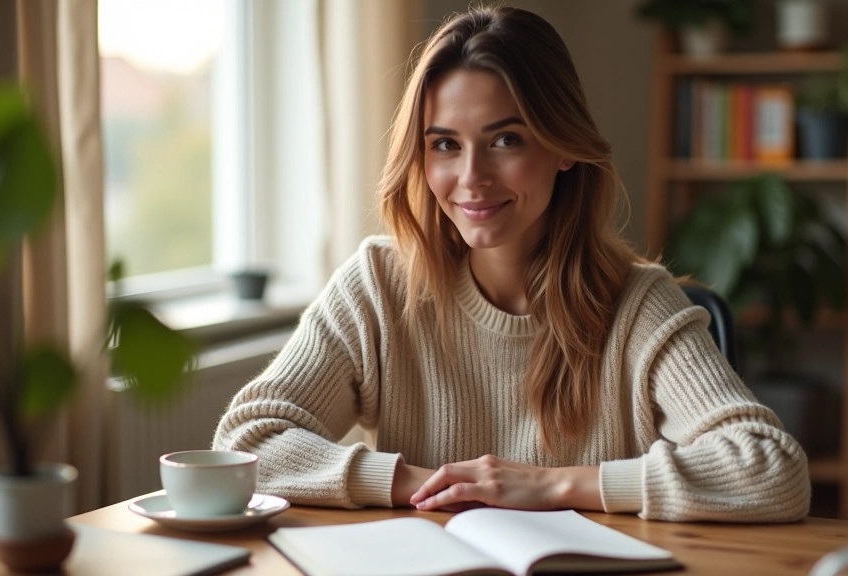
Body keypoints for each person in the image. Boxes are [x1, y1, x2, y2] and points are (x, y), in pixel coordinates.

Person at [213, 5, 810, 522]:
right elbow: (244, 442)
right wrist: (427, 485)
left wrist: (549, 487)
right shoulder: (378, 285)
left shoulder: (638, 304)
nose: (471, 179)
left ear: (563, 148)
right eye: (444, 144)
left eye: (506, 140)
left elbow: (772, 469)